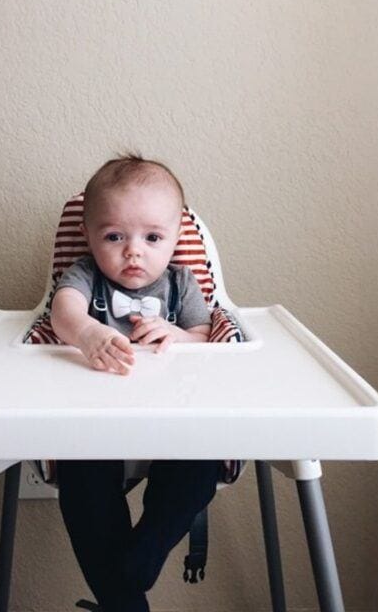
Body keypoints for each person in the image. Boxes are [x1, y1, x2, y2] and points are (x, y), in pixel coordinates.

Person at [50, 154, 222, 612]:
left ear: (175, 239)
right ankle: (127, 600)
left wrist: (179, 336)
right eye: (114, 236)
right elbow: (62, 312)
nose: (133, 251)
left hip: (174, 421)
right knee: (80, 478)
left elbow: (205, 336)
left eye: (152, 237)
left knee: (201, 467)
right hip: (96, 424)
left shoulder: (181, 284)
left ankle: (139, 562)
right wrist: (88, 332)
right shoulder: (85, 277)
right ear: (88, 237)